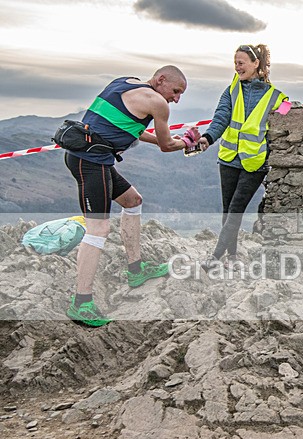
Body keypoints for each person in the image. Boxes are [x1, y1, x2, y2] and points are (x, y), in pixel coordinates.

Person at [64, 65, 200, 327]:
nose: (176, 98)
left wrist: (176, 139)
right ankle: (81, 303)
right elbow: (166, 146)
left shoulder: (125, 82)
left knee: (132, 200)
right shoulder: (158, 103)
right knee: (98, 230)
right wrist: (190, 141)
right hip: (91, 162)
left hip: (87, 156)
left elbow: (133, 130)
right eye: (175, 91)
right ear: (160, 80)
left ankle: (136, 270)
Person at [197, 44, 289, 272]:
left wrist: (295, 109)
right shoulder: (231, 91)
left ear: (255, 63)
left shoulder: (276, 96)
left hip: (255, 163)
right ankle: (232, 256)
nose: (237, 67)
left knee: (236, 209)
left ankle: (215, 257)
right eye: (235, 63)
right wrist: (208, 138)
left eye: (241, 63)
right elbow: (221, 118)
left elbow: (290, 117)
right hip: (228, 158)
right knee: (228, 210)